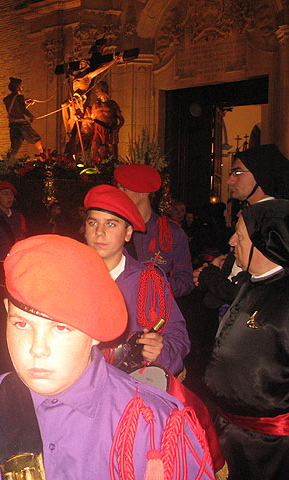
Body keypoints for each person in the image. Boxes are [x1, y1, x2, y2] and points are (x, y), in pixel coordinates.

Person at [0, 235, 214, 479]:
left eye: (61, 328)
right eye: (21, 324)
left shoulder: (154, 427)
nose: (36, 349)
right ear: (6, 312)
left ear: (94, 332)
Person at [203, 199, 289, 480]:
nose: (230, 241)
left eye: (239, 236)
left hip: (269, 451)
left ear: (266, 244)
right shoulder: (250, 282)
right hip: (230, 433)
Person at [83, 184, 190, 375]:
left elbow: (178, 338)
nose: (99, 232)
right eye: (93, 223)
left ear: (128, 233)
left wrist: (160, 352)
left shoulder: (148, 280)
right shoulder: (69, 275)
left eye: (111, 224)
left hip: (131, 390)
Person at [194, 144, 289, 307]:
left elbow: (249, 287)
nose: (230, 180)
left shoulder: (273, 223)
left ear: (260, 174)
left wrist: (209, 276)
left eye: (237, 172)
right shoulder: (251, 214)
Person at [114, 164, 194, 297]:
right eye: (118, 188)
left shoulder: (171, 232)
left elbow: (186, 281)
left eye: (124, 188)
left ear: (144, 192)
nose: (119, 193)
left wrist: (155, 285)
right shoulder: (114, 228)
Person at [3, 77, 44, 158]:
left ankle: (6, 162)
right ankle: (43, 159)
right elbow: (22, 109)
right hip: (22, 125)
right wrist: (31, 116)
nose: (22, 87)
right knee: (37, 140)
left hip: (13, 125)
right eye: (21, 85)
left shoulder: (6, 99)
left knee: (14, 148)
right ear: (17, 86)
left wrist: (24, 101)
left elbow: (14, 106)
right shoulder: (19, 97)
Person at [89, 81, 124, 161]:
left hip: (110, 130)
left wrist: (117, 128)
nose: (96, 93)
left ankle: (113, 166)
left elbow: (121, 119)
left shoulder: (112, 104)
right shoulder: (96, 105)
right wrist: (80, 119)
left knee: (112, 150)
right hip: (98, 130)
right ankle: (92, 165)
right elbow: (92, 119)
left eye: (97, 91)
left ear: (102, 90)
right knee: (94, 146)